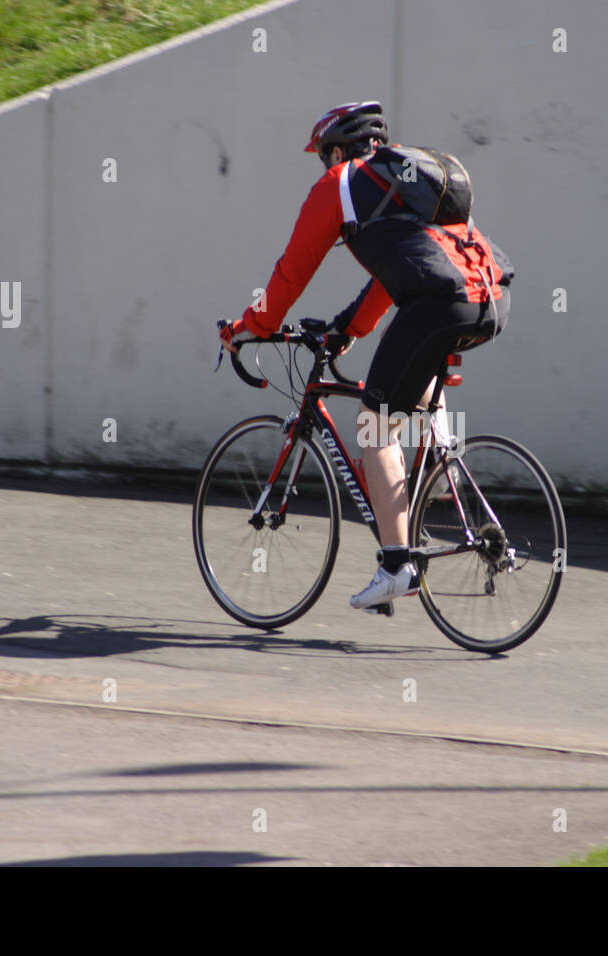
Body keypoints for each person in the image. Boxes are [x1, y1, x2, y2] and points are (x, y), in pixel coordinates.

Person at [219, 101, 512, 611]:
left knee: (374, 424)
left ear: (336, 149)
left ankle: (397, 565)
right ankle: (442, 469)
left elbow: (290, 274)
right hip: (489, 301)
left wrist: (251, 327)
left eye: (323, 156)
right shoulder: (399, 188)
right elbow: (395, 274)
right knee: (411, 388)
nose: (323, 166)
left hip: (440, 304)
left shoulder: (338, 186)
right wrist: (348, 329)